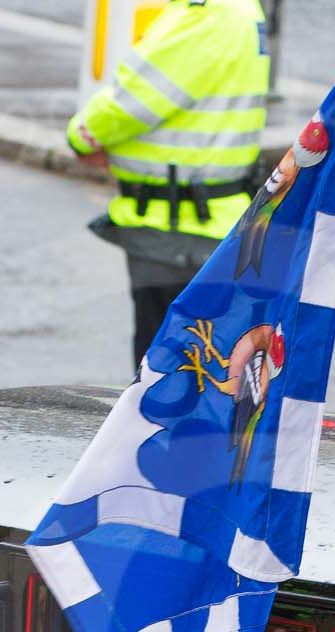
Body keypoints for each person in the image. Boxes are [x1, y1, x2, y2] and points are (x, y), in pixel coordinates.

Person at [66, 0, 271, 364]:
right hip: (209, 217)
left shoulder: (203, 15)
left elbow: (134, 101)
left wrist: (81, 136)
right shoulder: (237, 8)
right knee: (201, 366)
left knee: (162, 375)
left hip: (176, 225)